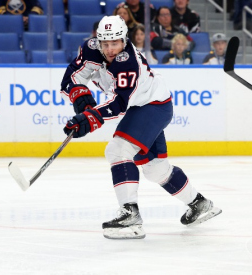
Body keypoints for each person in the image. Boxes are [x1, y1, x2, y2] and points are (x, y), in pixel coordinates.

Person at [60, 15, 221, 240]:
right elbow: (71, 78)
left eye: (114, 43)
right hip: (143, 108)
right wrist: (81, 98)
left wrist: (90, 117)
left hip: (153, 106)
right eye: (105, 43)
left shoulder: (127, 61)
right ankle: (199, 203)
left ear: (124, 39)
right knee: (156, 170)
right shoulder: (91, 48)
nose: (109, 49)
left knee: (117, 151)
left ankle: (130, 216)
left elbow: (119, 103)